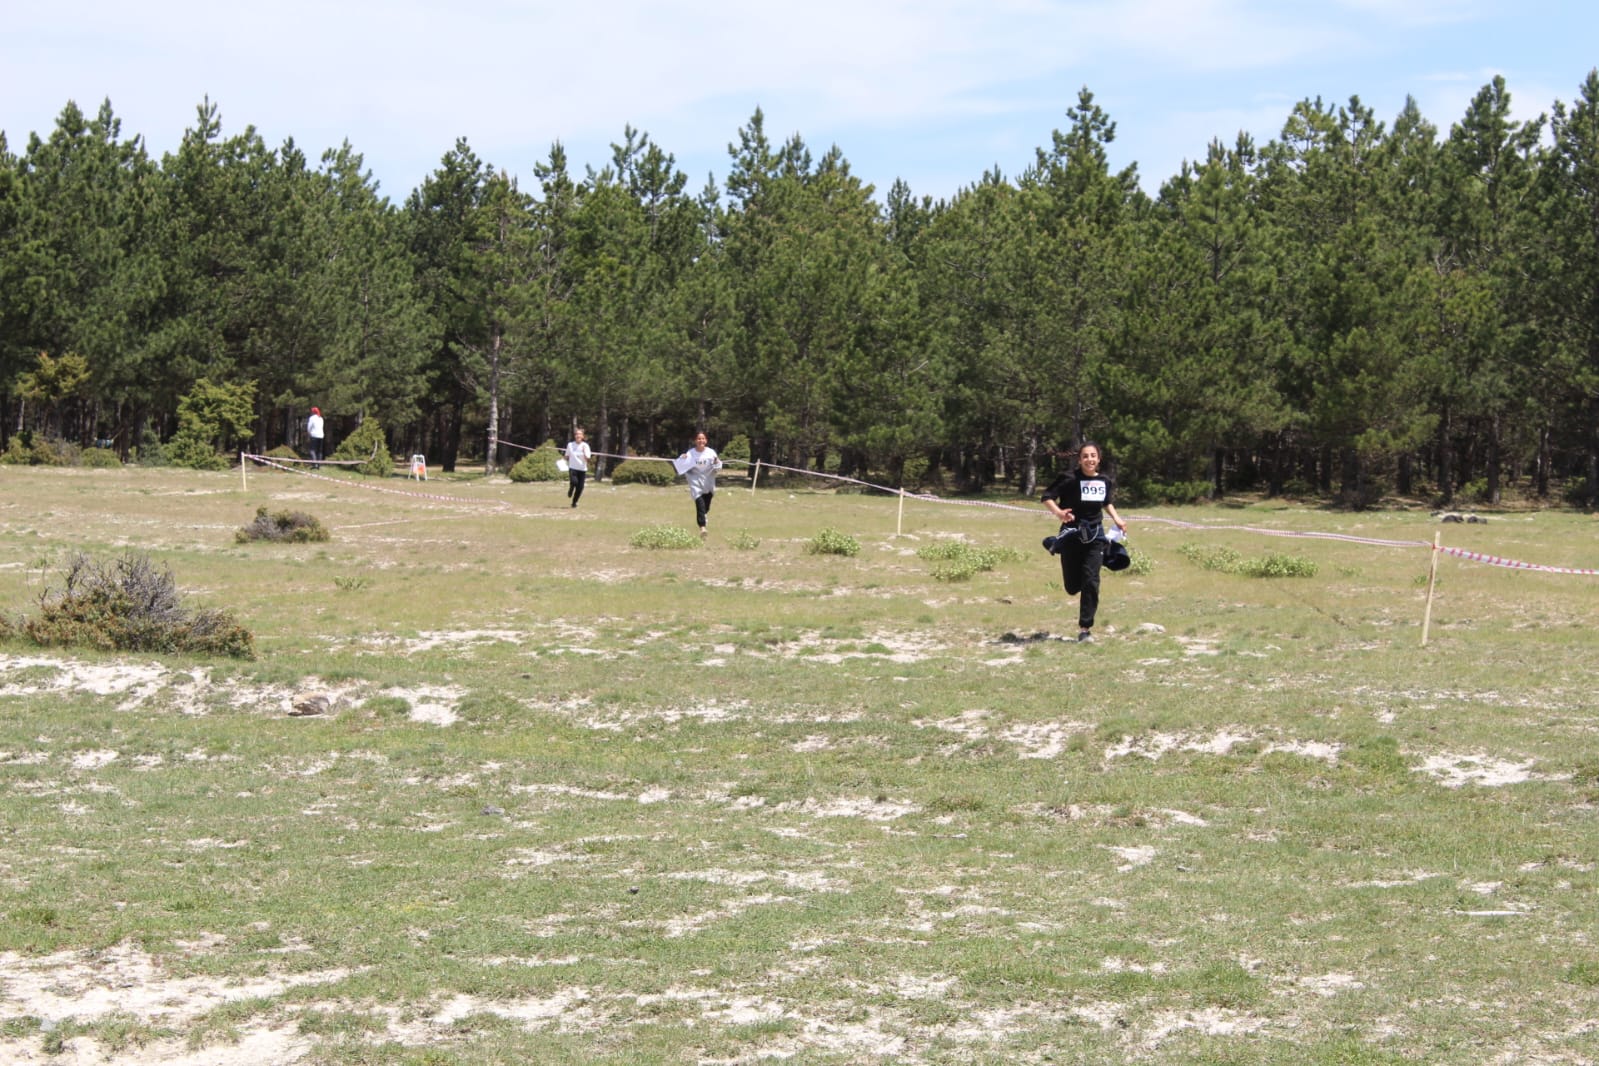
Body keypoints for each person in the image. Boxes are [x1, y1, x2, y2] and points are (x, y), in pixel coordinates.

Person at [1040, 442, 1126, 643]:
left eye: (1093, 456)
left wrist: (1117, 519)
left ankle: (1085, 628)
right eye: (1085, 456)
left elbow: (1106, 502)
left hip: (1095, 535)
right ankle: (1056, 543)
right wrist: (1059, 513)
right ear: (1079, 460)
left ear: (1099, 459)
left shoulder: (1104, 480)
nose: (1090, 459)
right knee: (1072, 586)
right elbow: (1047, 496)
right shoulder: (1069, 478)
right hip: (1071, 534)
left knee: (1091, 580)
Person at [681, 431, 722, 539]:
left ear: (706, 440)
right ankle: (702, 527)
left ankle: (704, 516)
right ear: (695, 441)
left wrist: (716, 462)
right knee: (699, 503)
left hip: (708, 481)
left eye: (703, 438)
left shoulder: (711, 452)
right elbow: (682, 464)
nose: (701, 441)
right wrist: (683, 458)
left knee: (706, 506)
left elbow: (718, 466)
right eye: (699, 439)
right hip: (695, 480)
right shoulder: (691, 453)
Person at [563, 427, 592, 508]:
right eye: (576, 434)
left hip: (582, 469)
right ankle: (571, 488)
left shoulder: (585, 446)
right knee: (574, 482)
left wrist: (584, 452)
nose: (578, 436)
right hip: (573, 468)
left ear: (583, 436)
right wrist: (561, 461)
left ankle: (574, 502)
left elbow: (588, 459)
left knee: (580, 488)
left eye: (579, 434)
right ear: (574, 436)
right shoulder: (570, 445)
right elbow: (567, 456)